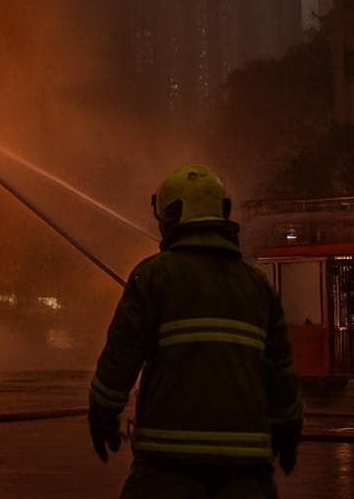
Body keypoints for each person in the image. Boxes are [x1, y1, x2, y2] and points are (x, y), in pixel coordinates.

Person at [88, 164, 303, 499]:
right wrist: (288, 424)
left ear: (171, 215)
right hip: (245, 469)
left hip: (168, 466)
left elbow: (121, 356)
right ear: (223, 212)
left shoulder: (153, 276)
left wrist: (103, 411)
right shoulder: (256, 285)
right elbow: (280, 368)